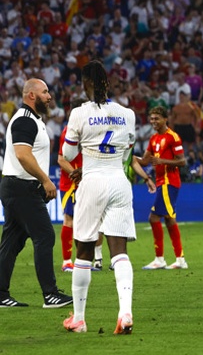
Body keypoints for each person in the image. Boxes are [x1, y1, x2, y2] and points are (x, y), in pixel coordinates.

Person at [61, 60, 156, 333]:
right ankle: (125, 313)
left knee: (84, 251)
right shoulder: (127, 113)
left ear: (85, 84)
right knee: (120, 252)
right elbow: (127, 154)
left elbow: (67, 155)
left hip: (92, 181)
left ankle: (78, 318)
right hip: (119, 181)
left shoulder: (79, 113)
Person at [0, 78, 73, 308]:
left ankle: (0, 293)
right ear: (31, 95)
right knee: (45, 236)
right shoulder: (24, 120)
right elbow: (22, 154)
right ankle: (50, 294)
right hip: (22, 187)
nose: (49, 96)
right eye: (45, 92)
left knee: (12, 242)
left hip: (17, 187)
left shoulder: (34, 120)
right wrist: (45, 180)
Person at [58, 97, 106, 272]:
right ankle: (66, 262)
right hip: (72, 184)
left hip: (87, 182)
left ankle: (87, 260)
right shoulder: (68, 132)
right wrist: (76, 174)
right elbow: (61, 159)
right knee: (69, 220)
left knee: (91, 221)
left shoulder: (89, 130)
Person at [138, 106, 188, 270]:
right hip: (161, 183)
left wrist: (162, 162)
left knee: (153, 217)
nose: (153, 122)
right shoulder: (153, 139)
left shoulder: (173, 137)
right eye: (151, 119)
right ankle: (180, 259)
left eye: (157, 118)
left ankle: (159, 259)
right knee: (169, 219)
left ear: (165, 119)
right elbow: (145, 161)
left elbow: (182, 161)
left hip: (169, 182)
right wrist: (128, 155)